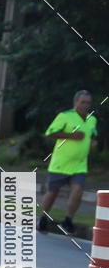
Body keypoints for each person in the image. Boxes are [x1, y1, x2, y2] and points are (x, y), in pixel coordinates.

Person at [38, 90, 98, 236]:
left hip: (80, 164)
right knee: (53, 192)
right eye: (82, 102)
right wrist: (71, 136)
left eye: (88, 103)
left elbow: (93, 135)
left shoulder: (92, 119)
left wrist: (93, 143)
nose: (85, 105)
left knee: (78, 191)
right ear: (75, 102)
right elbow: (50, 133)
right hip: (61, 163)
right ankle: (43, 218)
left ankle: (67, 221)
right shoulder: (65, 116)